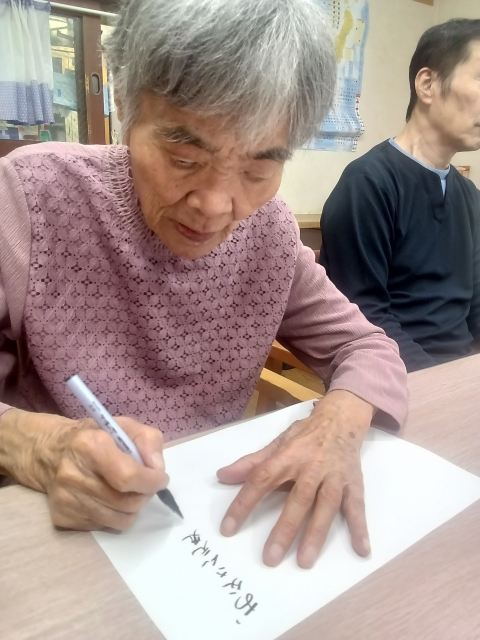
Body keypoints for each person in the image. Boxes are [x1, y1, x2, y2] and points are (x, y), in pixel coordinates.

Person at [0, 0, 407, 570]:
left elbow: (367, 347)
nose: (216, 206)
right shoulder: (31, 198)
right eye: (184, 157)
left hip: (198, 529)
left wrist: (336, 422)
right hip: (50, 537)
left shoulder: (268, 233)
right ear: (124, 105)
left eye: (258, 169)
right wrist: (34, 446)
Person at [320, 19, 480, 373]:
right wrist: (444, 384)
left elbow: (477, 305)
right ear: (427, 84)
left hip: (455, 375)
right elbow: (363, 315)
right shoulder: (368, 184)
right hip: (388, 375)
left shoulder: (470, 196)